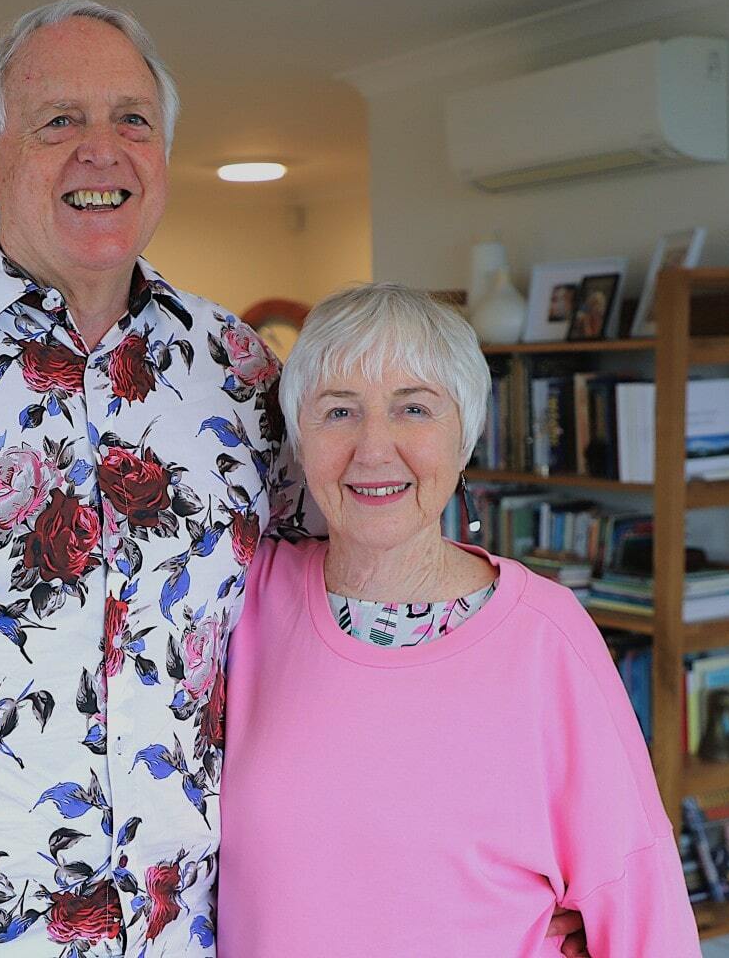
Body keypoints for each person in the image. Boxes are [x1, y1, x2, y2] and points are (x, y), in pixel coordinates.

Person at [0, 0, 587, 958]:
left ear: (162, 160)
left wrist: (504, 859)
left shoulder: (240, 373)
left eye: (132, 120)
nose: (101, 149)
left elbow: (353, 611)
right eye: (59, 120)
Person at [218, 282, 700, 956]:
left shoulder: (544, 635)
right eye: (339, 411)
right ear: (300, 434)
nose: (373, 449)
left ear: (465, 433)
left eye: (414, 407)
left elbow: (638, 893)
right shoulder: (243, 599)